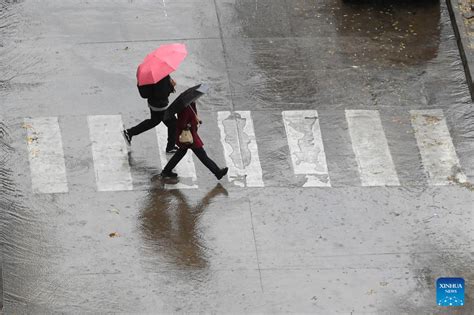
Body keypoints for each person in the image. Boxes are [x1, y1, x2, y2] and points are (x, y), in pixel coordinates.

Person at [161, 102, 228, 179]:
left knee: (180, 154)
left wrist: (196, 121)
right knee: (202, 155)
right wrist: (192, 123)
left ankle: (166, 171)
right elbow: (182, 124)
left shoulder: (190, 105)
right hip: (188, 136)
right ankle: (217, 172)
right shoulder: (186, 108)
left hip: (191, 134)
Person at [123, 75, 179, 153]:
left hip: (153, 104)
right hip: (160, 105)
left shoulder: (149, 76)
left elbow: (145, 94)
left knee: (154, 121)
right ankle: (170, 147)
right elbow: (162, 93)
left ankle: (130, 132)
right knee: (173, 123)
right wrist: (171, 86)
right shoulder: (162, 76)